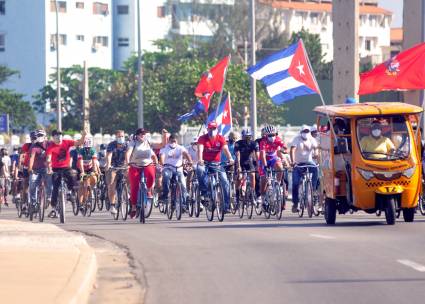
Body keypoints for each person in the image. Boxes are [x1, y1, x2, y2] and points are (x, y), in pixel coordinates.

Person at [46, 129, 86, 218]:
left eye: (60, 135)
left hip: (66, 167)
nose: (59, 137)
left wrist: (83, 136)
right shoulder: (50, 147)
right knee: (55, 187)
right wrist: (49, 167)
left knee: (73, 177)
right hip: (55, 169)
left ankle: (71, 193)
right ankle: (54, 208)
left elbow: (79, 143)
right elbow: (48, 158)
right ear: (53, 137)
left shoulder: (66, 142)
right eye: (56, 136)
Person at [196, 121, 234, 211]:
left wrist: (230, 158)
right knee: (200, 170)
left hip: (216, 164)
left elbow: (226, 150)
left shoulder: (221, 138)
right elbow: (200, 150)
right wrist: (200, 160)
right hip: (204, 163)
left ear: (217, 129)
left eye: (214, 128)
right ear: (207, 129)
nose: (212, 130)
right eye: (210, 128)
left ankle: (226, 206)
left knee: (225, 181)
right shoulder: (202, 138)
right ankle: (204, 195)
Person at [125, 128, 158, 218]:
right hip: (135, 165)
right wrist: (128, 162)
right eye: (141, 134)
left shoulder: (148, 142)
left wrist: (164, 136)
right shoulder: (133, 143)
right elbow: (128, 153)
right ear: (137, 135)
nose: (143, 135)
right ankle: (134, 207)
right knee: (134, 186)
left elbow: (158, 149)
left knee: (151, 176)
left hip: (147, 164)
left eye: (144, 134)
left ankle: (148, 190)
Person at [290, 125, 319, 213]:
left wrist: (316, 154)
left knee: (316, 170)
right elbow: (292, 150)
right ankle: (295, 204)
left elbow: (316, 148)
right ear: (301, 132)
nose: (306, 133)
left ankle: (313, 190)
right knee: (295, 183)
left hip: (309, 162)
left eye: (307, 131)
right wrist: (293, 161)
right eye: (304, 131)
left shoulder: (311, 139)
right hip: (298, 164)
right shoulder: (297, 139)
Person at [258, 125, 288, 208]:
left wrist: (284, 150)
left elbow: (285, 148)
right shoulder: (263, 142)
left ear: (276, 134)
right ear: (265, 136)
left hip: (273, 158)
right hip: (264, 160)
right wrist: (265, 166)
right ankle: (263, 198)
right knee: (264, 178)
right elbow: (262, 155)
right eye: (269, 135)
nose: (272, 137)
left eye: (273, 135)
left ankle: (277, 184)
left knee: (280, 168)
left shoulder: (278, 139)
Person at [159, 134, 192, 205]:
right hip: (168, 168)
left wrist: (190, 161)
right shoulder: (165, 148)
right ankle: (165, 195)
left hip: (178, 169)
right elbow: (162, 156)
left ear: (177, 141)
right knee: (166, 176)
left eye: (174, 141)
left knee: (183, 184)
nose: (173, 142)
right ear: (169, 141)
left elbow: (185, 154)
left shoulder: (180, 148)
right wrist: (162, 162)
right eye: (171, 141)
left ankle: (184, 202)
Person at [105, 130, 128, 215]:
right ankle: (112, 205)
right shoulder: (112, 145)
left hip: (123, 166)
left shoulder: (126, 144)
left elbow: (127, 155)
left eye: (122, 136)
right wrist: (108, 164)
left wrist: (127, 164)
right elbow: (109, 155)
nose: (121, 138)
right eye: (119, 136)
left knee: (130, 177)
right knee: (112, 184)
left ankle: (127, 194)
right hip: (113, 167)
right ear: (116, 137)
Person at [28, 129, 52, 208]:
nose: (40, 137)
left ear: (45, 136)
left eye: (41, 135)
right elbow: (31, 158)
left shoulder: (49, 144)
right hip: (36, 169)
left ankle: (49, 197)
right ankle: (33, 202)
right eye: (38, 135)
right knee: (32, 185)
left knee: (49, 182)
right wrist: (30, 168)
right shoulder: (34, 146)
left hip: (47, 168)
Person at [234, 129, 258, 204]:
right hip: (239, 162)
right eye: (245, 137)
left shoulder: (254, 143)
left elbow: (257, 155)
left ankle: (253, 193)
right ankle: (237, 195)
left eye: (249, 137)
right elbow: (238, 155)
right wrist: (238, 167)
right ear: (242, 137)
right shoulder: (238, 143)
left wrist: (258, 165)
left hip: (249, 162)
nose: (247, 138)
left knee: (252, 174)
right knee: (239, 177)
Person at [77, 136, 99, 208]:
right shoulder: (81, 151)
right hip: (81, 168)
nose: (87, 149)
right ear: (84, 147)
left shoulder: (93, 150)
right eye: (86, 148)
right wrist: (82, 172)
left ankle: (90, 190)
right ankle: (80, 203)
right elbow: (80, 162)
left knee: (94, 179)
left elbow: (94, 161)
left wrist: (94, 170)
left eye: (89, 148)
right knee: (81, 185)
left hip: (89, 168)